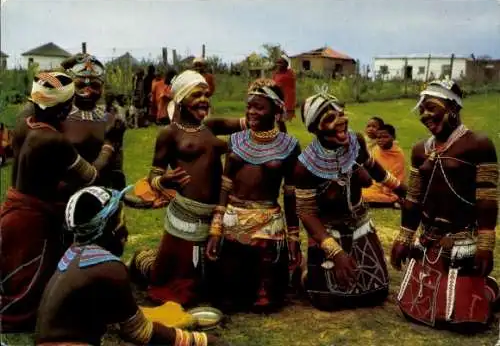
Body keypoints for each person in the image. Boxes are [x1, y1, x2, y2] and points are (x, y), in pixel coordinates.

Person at [35, 185, 223, 346]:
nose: (125, 231)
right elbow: (139, 332)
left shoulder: (74, 253)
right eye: (122, 221)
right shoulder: (109, 268)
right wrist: (199, 340)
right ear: (109, 228)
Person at [0, 72, 112, 332]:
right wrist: (108, 146)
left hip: (14, 209)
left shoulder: (24, 124)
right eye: (69, 102)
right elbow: (91, 175)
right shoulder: (52, 139)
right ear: (62, 108)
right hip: (30, 220)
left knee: (16, 274)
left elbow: (40, 173)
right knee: (27, 290)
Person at [129, 70, 248, 306]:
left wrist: (268, 109)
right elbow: (154, 173)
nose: (204, 100)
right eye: (197, 95)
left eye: (206, 94)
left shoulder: (211, 126)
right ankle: (141, 263)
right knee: (174, 283)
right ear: (181, 99)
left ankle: (152, 262)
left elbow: (248, 123)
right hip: (186, 214)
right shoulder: (170, 134)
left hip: (215, 214)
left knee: (213, 279)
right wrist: (165, 181)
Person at [391, 80, 498, 332]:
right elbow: (414, 199)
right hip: (429, 239)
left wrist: (485, 245)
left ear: (453, 107)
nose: (425, 115)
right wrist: (404, 237)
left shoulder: (479, 144)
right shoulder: (420, 149)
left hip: (461, 240)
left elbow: (487, 199)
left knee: (467, 323)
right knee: (416, 312)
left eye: (431, 108)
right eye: (421, 111)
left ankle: (489, 291)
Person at [294, 92, 407, 311]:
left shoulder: (356, 140)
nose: (340, 122)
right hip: (327, 231)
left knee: (377, 292)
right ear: (314, 128)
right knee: (327, 300)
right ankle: (305, 270)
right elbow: (306, 213)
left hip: (360, 224)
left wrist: (403, 191)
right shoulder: (304, 166)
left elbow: (373, 168)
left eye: (341, 114)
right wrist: (335, 253)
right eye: (329, 119)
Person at [205, 78, 301, 313]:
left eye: (259, 107)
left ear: (277, 111)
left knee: (266, 302)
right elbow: (225, 186)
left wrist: (294, 238)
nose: (251, 112)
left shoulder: (289, 146)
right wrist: (216, 229)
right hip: (233, 221)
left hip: (268, 226)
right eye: (249, 106)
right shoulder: (236, 140)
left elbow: (290, 195)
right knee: (226, 300)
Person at [61, 53, 127, 192]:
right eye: (80, 85)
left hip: (103, 194)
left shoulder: (110, 119)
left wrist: (118, 194)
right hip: (66, 195)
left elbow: (116, 166)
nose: (88, 91)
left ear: (102, 88)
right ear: (71, 86)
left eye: (95, 85)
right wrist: (65, 65)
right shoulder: (61, 118)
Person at [362, 124, 406, 207]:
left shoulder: (398, 154)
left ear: (393, 137)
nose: (381, 140)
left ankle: (393, 201)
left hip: (388, 188)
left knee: (364, 196)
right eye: (378, 138)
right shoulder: (375, 150)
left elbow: (394, 177)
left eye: (385, 137)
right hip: (372, 185)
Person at [272, 56, 296, 121]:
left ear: (286, 64)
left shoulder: (290, 73)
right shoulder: (276, 74)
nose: (278, 64)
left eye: (281, 63)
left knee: (282, 121)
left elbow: (278, 84)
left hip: (287, 103)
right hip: (278, 102)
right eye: (277, 63)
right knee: (278, 121)